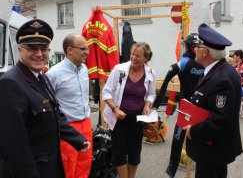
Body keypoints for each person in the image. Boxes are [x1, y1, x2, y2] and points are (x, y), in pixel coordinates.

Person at [0, 19, 90, 178]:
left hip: (49, 166)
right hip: (31, 170)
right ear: (20, 50)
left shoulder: (42, 78)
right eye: (32, 48)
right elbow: (14, 145)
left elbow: (56, 113)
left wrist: (76, 139)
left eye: (44, 49)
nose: (39, 54)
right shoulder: (10, 83)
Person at [183, 23, 243, 178]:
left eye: (197, 46)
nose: (194, 49)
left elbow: (220, 121)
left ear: (205, 52)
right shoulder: (219, 71)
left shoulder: (221, 78)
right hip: (211, 150)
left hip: (213, 151)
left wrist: (192, 131)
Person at [152, 33, 204, 178]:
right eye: (197, 46)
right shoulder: (189, 63)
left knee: (187, 145)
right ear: (192, 47)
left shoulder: (191, 63)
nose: (199, 49)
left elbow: (164, 84)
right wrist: (155, 107)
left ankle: (173, 174)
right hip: (190, 110)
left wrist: (155, 107)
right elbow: (165, 83)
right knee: (178, 145)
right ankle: (172, 174)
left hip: (193, 110)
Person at [102, 42, 156, 178]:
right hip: (118, 118)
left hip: (137, 120)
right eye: (132, 54)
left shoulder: (150, 73)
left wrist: (147, 105)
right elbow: (106, 92)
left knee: (134, 154)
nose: (133, 58)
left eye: (138, 56)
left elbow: (151, 94)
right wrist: (115, 109)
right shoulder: (119, 69)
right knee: (119, 154)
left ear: (146, 58)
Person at [46, 34, 92, 178]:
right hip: (68, 128)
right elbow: (47, 103)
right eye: (83, 48)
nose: (87, 52)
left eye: (87, 48)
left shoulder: (84, 69)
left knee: (84, 165)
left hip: (86, 123)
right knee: (68, 167)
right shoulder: (54, 73)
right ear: (70, 50)